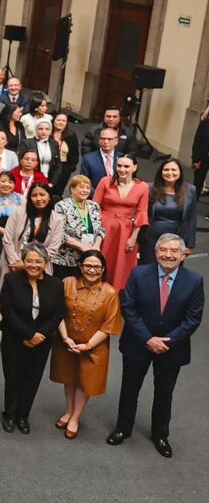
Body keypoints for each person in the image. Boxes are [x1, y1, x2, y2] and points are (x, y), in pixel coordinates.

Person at [107, 233, 205, 458]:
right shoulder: (138, 274)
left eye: (174, 251)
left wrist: (166, 341)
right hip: (138, 343)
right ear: (156, 252)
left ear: (182, 255)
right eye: (163, 250)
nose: (168, 255)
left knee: (164, 393)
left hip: (172, 348)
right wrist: (147, 339)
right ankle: (123, 428)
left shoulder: (194, 281)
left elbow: (193, 318)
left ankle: (160, 434)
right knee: (130, 388)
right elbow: (129, 308)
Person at [49, 250, 121, 439]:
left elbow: (108, 327)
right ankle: (69, 410)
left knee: (85, 382)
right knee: (69, 377)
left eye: (97, 267)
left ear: (103, 269)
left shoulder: (110, 293)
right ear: (80, 266)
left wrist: (87, 346)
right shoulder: (67, 284)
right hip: (67, 341)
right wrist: (66, 339)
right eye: (87, 265)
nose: (91, 270)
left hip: (93, 347)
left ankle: (75, 417)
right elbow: (58, 313)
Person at [0, 244, 65, 434]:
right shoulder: (11, 280)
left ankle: (23, 416)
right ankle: (10, 414)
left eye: (38, 261)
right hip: (15, 337)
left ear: (45, 263)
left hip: (42, 341)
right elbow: (7, 310)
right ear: (23, 261)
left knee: (32, 378)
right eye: (29, 261)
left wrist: (39, 335)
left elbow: (58, 313)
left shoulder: (56, 285)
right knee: (12, 377)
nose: (33, 265)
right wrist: (28, 334)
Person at [94, 154, 149, 290]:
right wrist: (97, 233)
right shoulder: (105, 182)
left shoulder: (142, 187)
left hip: (126, 232)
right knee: (103, 260)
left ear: (134, 167)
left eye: (126, 166)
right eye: (119, 166)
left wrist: (133, 237)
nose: (122, 169)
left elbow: (142, 213)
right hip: (104, 229)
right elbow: (94, 206)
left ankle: (117, 296)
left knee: (122, 265)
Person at [139, 158, 197, 264]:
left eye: (174, 170)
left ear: (180, 172)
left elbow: (191, 218)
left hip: (176, 241)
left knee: (170, 272)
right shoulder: (149, 188)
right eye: (166, 170)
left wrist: (190, 244)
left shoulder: (190, 190)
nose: (170, 173)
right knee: (147, 270)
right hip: (150, 239)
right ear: (161, 172)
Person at [1, 182, 63, 279]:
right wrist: (15, 262)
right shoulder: (19, 212)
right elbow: (7, 240)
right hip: (13, 265)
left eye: (42, 195)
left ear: (49, 197)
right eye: (34, 195)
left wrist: (29, 263)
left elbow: (53, 248)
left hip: (40, 268)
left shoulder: (57, 219)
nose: (38, 199)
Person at [52, 175, 106, 278]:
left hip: (88, 259)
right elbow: (59, 233)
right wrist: (82, 247)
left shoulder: (93, 206)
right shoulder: (61, 206)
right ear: (72, 189)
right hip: (66, 259)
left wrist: (96, 246)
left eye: (88, 188)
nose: (85, 190)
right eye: (81, 187)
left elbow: (101, 229)